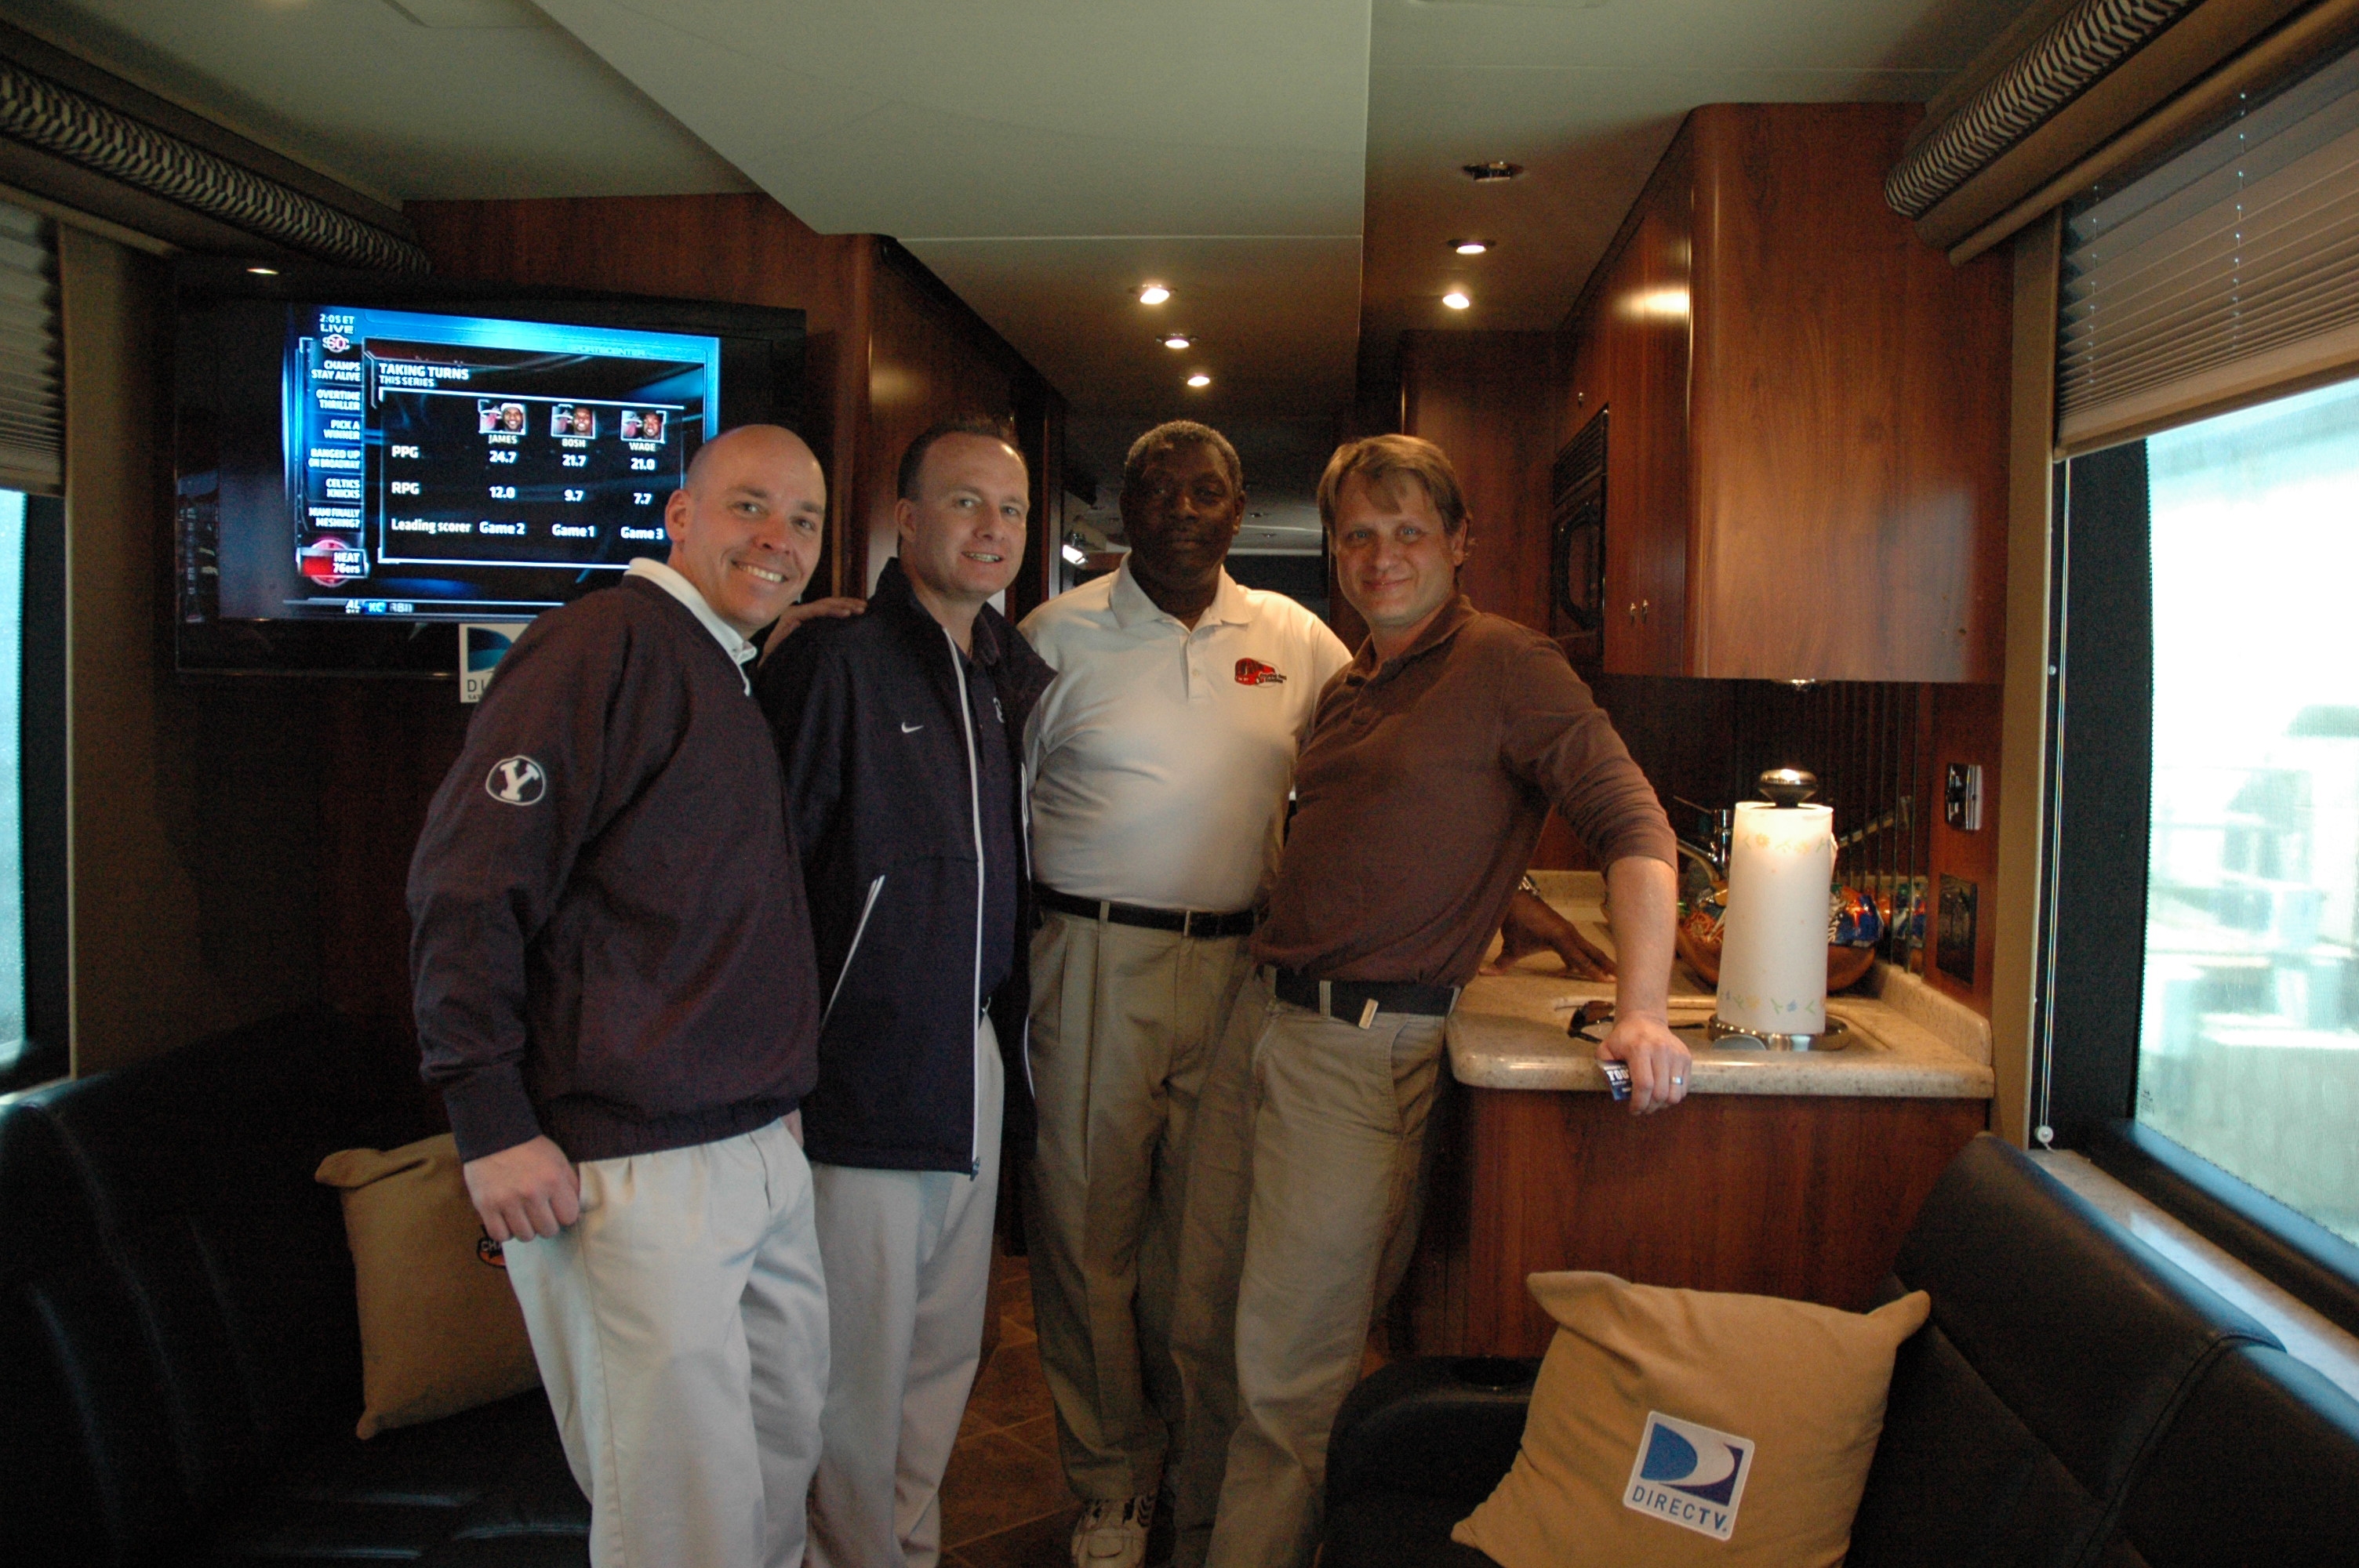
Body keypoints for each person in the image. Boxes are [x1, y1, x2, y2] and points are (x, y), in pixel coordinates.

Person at [1167, 434, 1691, 1568]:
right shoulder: (1356, 680)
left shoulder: (1509, 665)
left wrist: (1642, 1008)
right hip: (1258, 1021)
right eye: (1357, 533)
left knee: (1285, 1381)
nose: (1381, 554)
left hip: (1358, 1058)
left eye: (1409, 531)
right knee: (1200, 1328)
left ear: (1460, 542)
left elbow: (1632, 823)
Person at [409, 423, 833, 1568]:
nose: (779, 540)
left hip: (750, 1141)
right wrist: (488, 1120)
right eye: (750, 507)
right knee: (680, 1526)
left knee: (775, 1482)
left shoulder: (721, 667)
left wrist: (767, 1094)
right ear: (679, 517)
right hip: (628, 1167)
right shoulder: (601, 647)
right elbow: (466, 886)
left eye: (804, 520)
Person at [1018, 420, 1349, 1568]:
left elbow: (1371, 774)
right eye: (1159, 492)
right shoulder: (1049, 638)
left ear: (1239, 508)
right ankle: (1112, 1480)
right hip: (1094, 959)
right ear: (1123, 511)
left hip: (1240, 972)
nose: (1183, 511)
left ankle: (1201, 1478)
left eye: (1206, 492)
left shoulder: (1298, 639)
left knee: (1207, 1250)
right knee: (1085, 1231)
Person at [757, 416, 1053, 1568]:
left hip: (969, 1051)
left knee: (940, 1355)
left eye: (1013, 511)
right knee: (855, 1369)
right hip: (858, 1065)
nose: (993, 529)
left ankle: (905, 1549)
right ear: (908, 519)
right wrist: (780, 1066)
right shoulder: (835, 662)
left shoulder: (998, 674)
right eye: (968, 503)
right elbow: (768, 880)